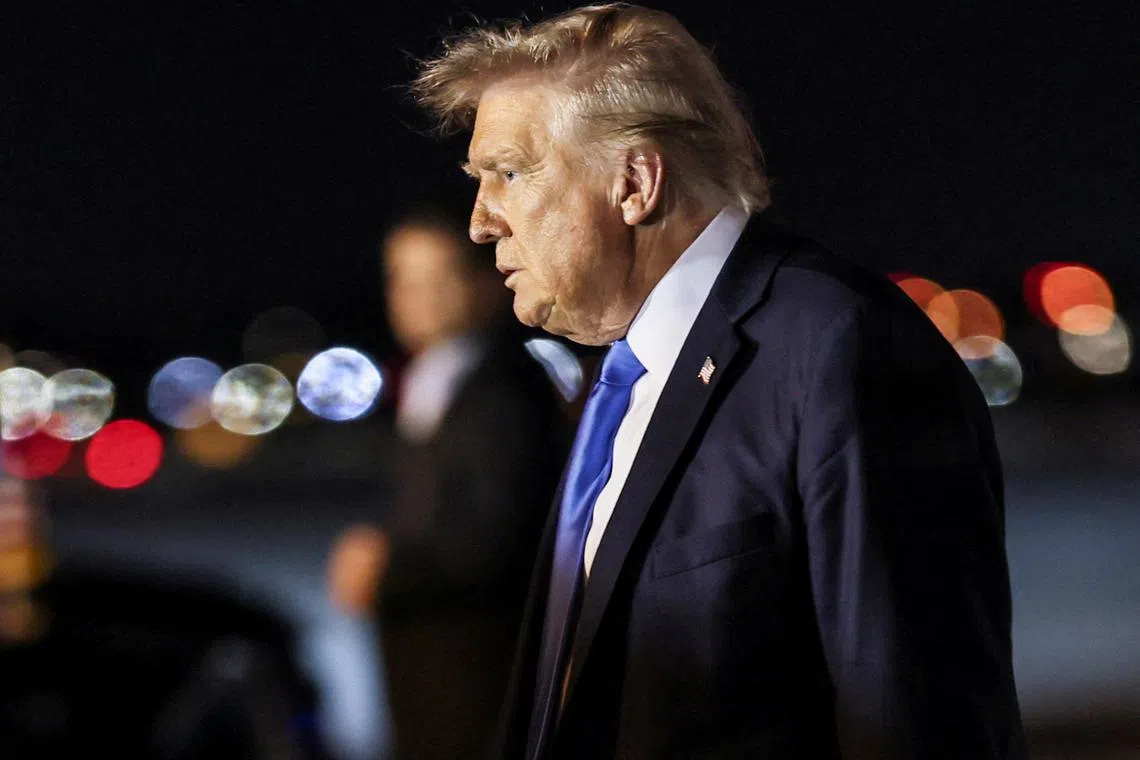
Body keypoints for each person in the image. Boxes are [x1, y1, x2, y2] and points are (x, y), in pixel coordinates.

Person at [411, 4, 1028, 759]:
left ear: (634, 181)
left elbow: (919, 719)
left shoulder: (838, 348)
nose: (480, 221)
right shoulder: (623, 376)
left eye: (509, 173)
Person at [326, 211, 568, 760]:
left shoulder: (504, 390)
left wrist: (383, 565)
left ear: (484, 281)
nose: (418, 297)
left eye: (439, 277)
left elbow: (495, 537)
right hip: (431, 664)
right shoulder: (434, 375)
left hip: (476, 670)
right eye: (403, 278)